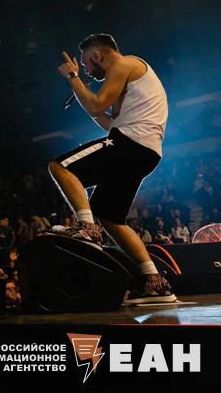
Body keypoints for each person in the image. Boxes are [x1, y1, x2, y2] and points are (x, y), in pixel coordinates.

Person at [47, 33, 176, 304]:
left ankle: (86, 227)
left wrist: (72, 78)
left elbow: (96, 104)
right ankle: (155, 283)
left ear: (97, 56)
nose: (85, 70)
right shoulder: (127, 79)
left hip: (130, 144)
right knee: (110, 217)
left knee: (60, 167)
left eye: (85, 63)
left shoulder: (123, 64)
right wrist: (79, 86)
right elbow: (104, 118)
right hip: (145, 152)